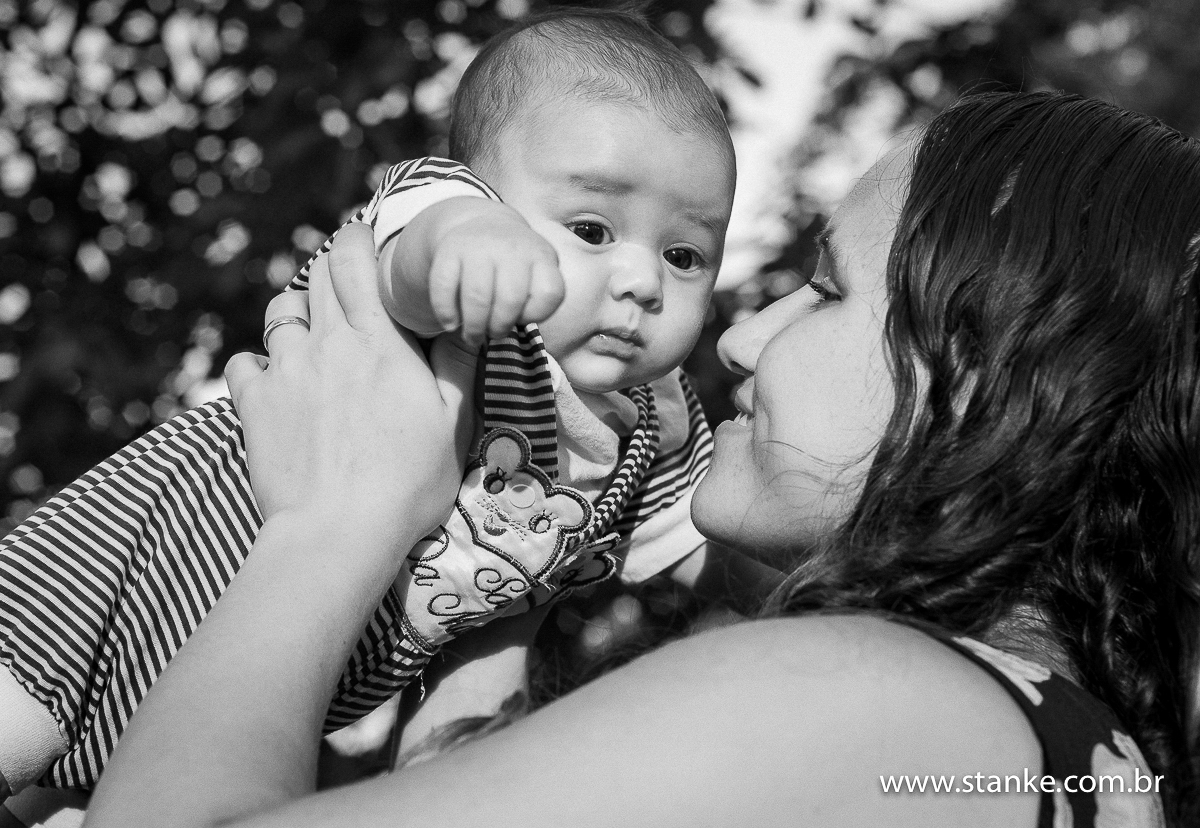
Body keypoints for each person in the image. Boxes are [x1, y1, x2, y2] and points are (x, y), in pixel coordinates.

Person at [79, 90, 1200, 828]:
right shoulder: (1085, 759)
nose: (740, 339)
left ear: (988, 368)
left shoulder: (882, 695)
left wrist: (329, 525)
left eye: (824, 290)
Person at [0, 8, 777, 818]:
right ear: (488, 192)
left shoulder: (652, 422)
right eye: (591, 228)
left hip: (262, 673)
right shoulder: (470, 279)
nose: (643, 281)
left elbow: (709, 552)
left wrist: (821, 591)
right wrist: (470, 243)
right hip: (126, 570)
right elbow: (409, 255)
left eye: (683, 254)